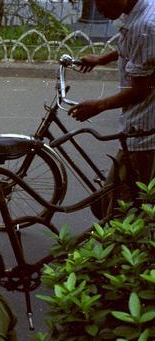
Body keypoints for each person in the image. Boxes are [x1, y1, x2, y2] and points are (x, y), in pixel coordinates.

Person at [69, 0, 155, 214]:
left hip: (143, 130)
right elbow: (135, 49)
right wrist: (101, 58)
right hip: (140, 124)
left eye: (101, 2)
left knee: (121, 207)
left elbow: (140, 90)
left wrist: (98, 105)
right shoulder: (140, 10)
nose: (98, 9)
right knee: (114, 198)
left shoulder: (145, 26)